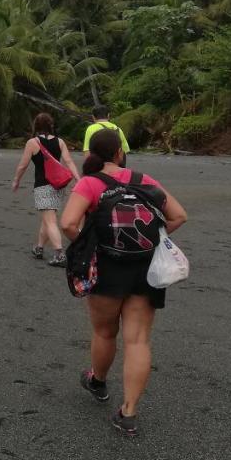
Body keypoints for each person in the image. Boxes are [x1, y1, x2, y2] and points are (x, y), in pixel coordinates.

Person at [60, 129, 187, 436]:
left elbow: (67, 223)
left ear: (94, 153)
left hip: (107, 267)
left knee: (105, 332)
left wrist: (87, 246)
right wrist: (156, 240)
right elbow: (179, 215)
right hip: (147, 270)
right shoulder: (145, 180)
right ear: (119, 152)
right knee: (138, 340)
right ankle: (128, 412)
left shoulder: (90, 183)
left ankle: (98, 382)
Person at [11, 112, 79, 265]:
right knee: (47, 218)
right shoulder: (60, 142)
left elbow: (23, 165)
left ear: (36, 126)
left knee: (50, 221)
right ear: (51, 125)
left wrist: (16, 180)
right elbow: (69, 161)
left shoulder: (32, 143)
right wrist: (78, 179)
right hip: (58, 185)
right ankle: (39, 248)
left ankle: (59, 254)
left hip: (43, 186)